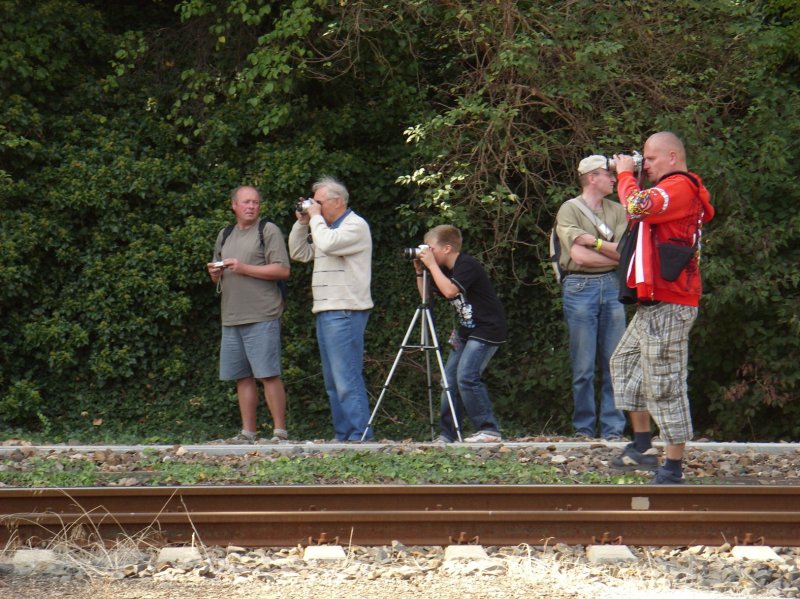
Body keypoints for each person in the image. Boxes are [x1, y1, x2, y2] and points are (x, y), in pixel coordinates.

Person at [609, 132, 714, 484]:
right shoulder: (668, 189)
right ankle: (642, 445)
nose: (646, 165)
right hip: (654, 303)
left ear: (672, 156)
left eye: (650, 159)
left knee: (665, 383)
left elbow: (638, 206)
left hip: (671, 301)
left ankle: (672, 466)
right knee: (625, 363)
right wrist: (630, 176)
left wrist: (625, 174)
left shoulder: (680, 186)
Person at [288, 176, 374, 441]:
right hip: (327, 310)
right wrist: (303, 223)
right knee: (333, 382)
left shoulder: (354, 226)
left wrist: (314, 218)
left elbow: (326, 244)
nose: (315, 206)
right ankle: (343, 435)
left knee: (346, 378)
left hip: (345, 311)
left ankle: (361, 436)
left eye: (319, 202)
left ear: (337, 201)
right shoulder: (326, 228)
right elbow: (299, 253)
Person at [207, 185, 291, 444]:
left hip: (262, 313)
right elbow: (217, 276)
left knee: (267, 374)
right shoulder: (225, 234)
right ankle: (248, 433)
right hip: (231, 316)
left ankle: (279, 432)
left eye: (255, 202)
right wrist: (215, 275)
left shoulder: (268, 230)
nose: (251, 206)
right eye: (246, 202)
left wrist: (243, 267)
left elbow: (282, 270)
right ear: (234, 205)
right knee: (241, 376)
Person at [555, 155, 628, 440]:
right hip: (579, 288)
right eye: (608, 174)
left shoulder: (619, 210)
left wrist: (595, 242)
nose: (614, 178)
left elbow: (625, 253)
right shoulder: (569, 210)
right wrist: (610, 254)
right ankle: (584, 430)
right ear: (591, 178)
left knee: (615, 363)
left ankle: (613, 431)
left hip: (612, 286)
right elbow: (577, 255)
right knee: (583, 366)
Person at [413, 225, 506, 443]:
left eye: (431, 248)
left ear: (446, 248)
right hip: (466, 331)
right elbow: (426, 297)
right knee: (449, 381)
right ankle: (448, 433)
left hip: (487, 328)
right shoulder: (442, 269)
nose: (427, 252)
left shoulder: (467, 265)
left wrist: (431, 266)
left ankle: (488, 430)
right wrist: (420, 270)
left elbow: (449, 291)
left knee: (467, 376)